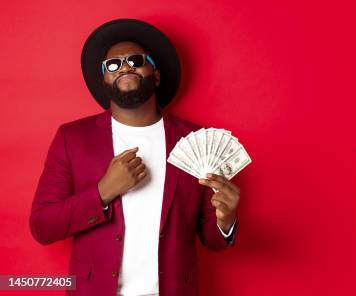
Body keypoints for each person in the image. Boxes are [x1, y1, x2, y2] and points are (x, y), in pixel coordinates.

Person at [29, 18, 241, 296]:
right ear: (104, 79)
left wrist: (226, 219)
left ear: (155, 74)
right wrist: (102, 192)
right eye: (113, 65)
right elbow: (43, 226)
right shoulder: (72, 139)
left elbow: (212, 240)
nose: (125, 67)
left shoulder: (195, 140)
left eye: (136, 59)